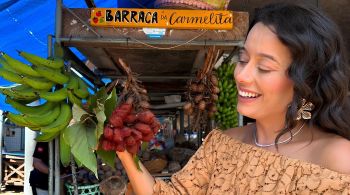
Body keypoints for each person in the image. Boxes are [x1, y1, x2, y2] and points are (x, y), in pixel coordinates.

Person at [116, 3, 350, 194]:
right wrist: (124, 150)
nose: (242, 75)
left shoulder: (338, 160)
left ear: (307, 81)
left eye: (265, 67)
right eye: (244, 58)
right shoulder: (220, 144)